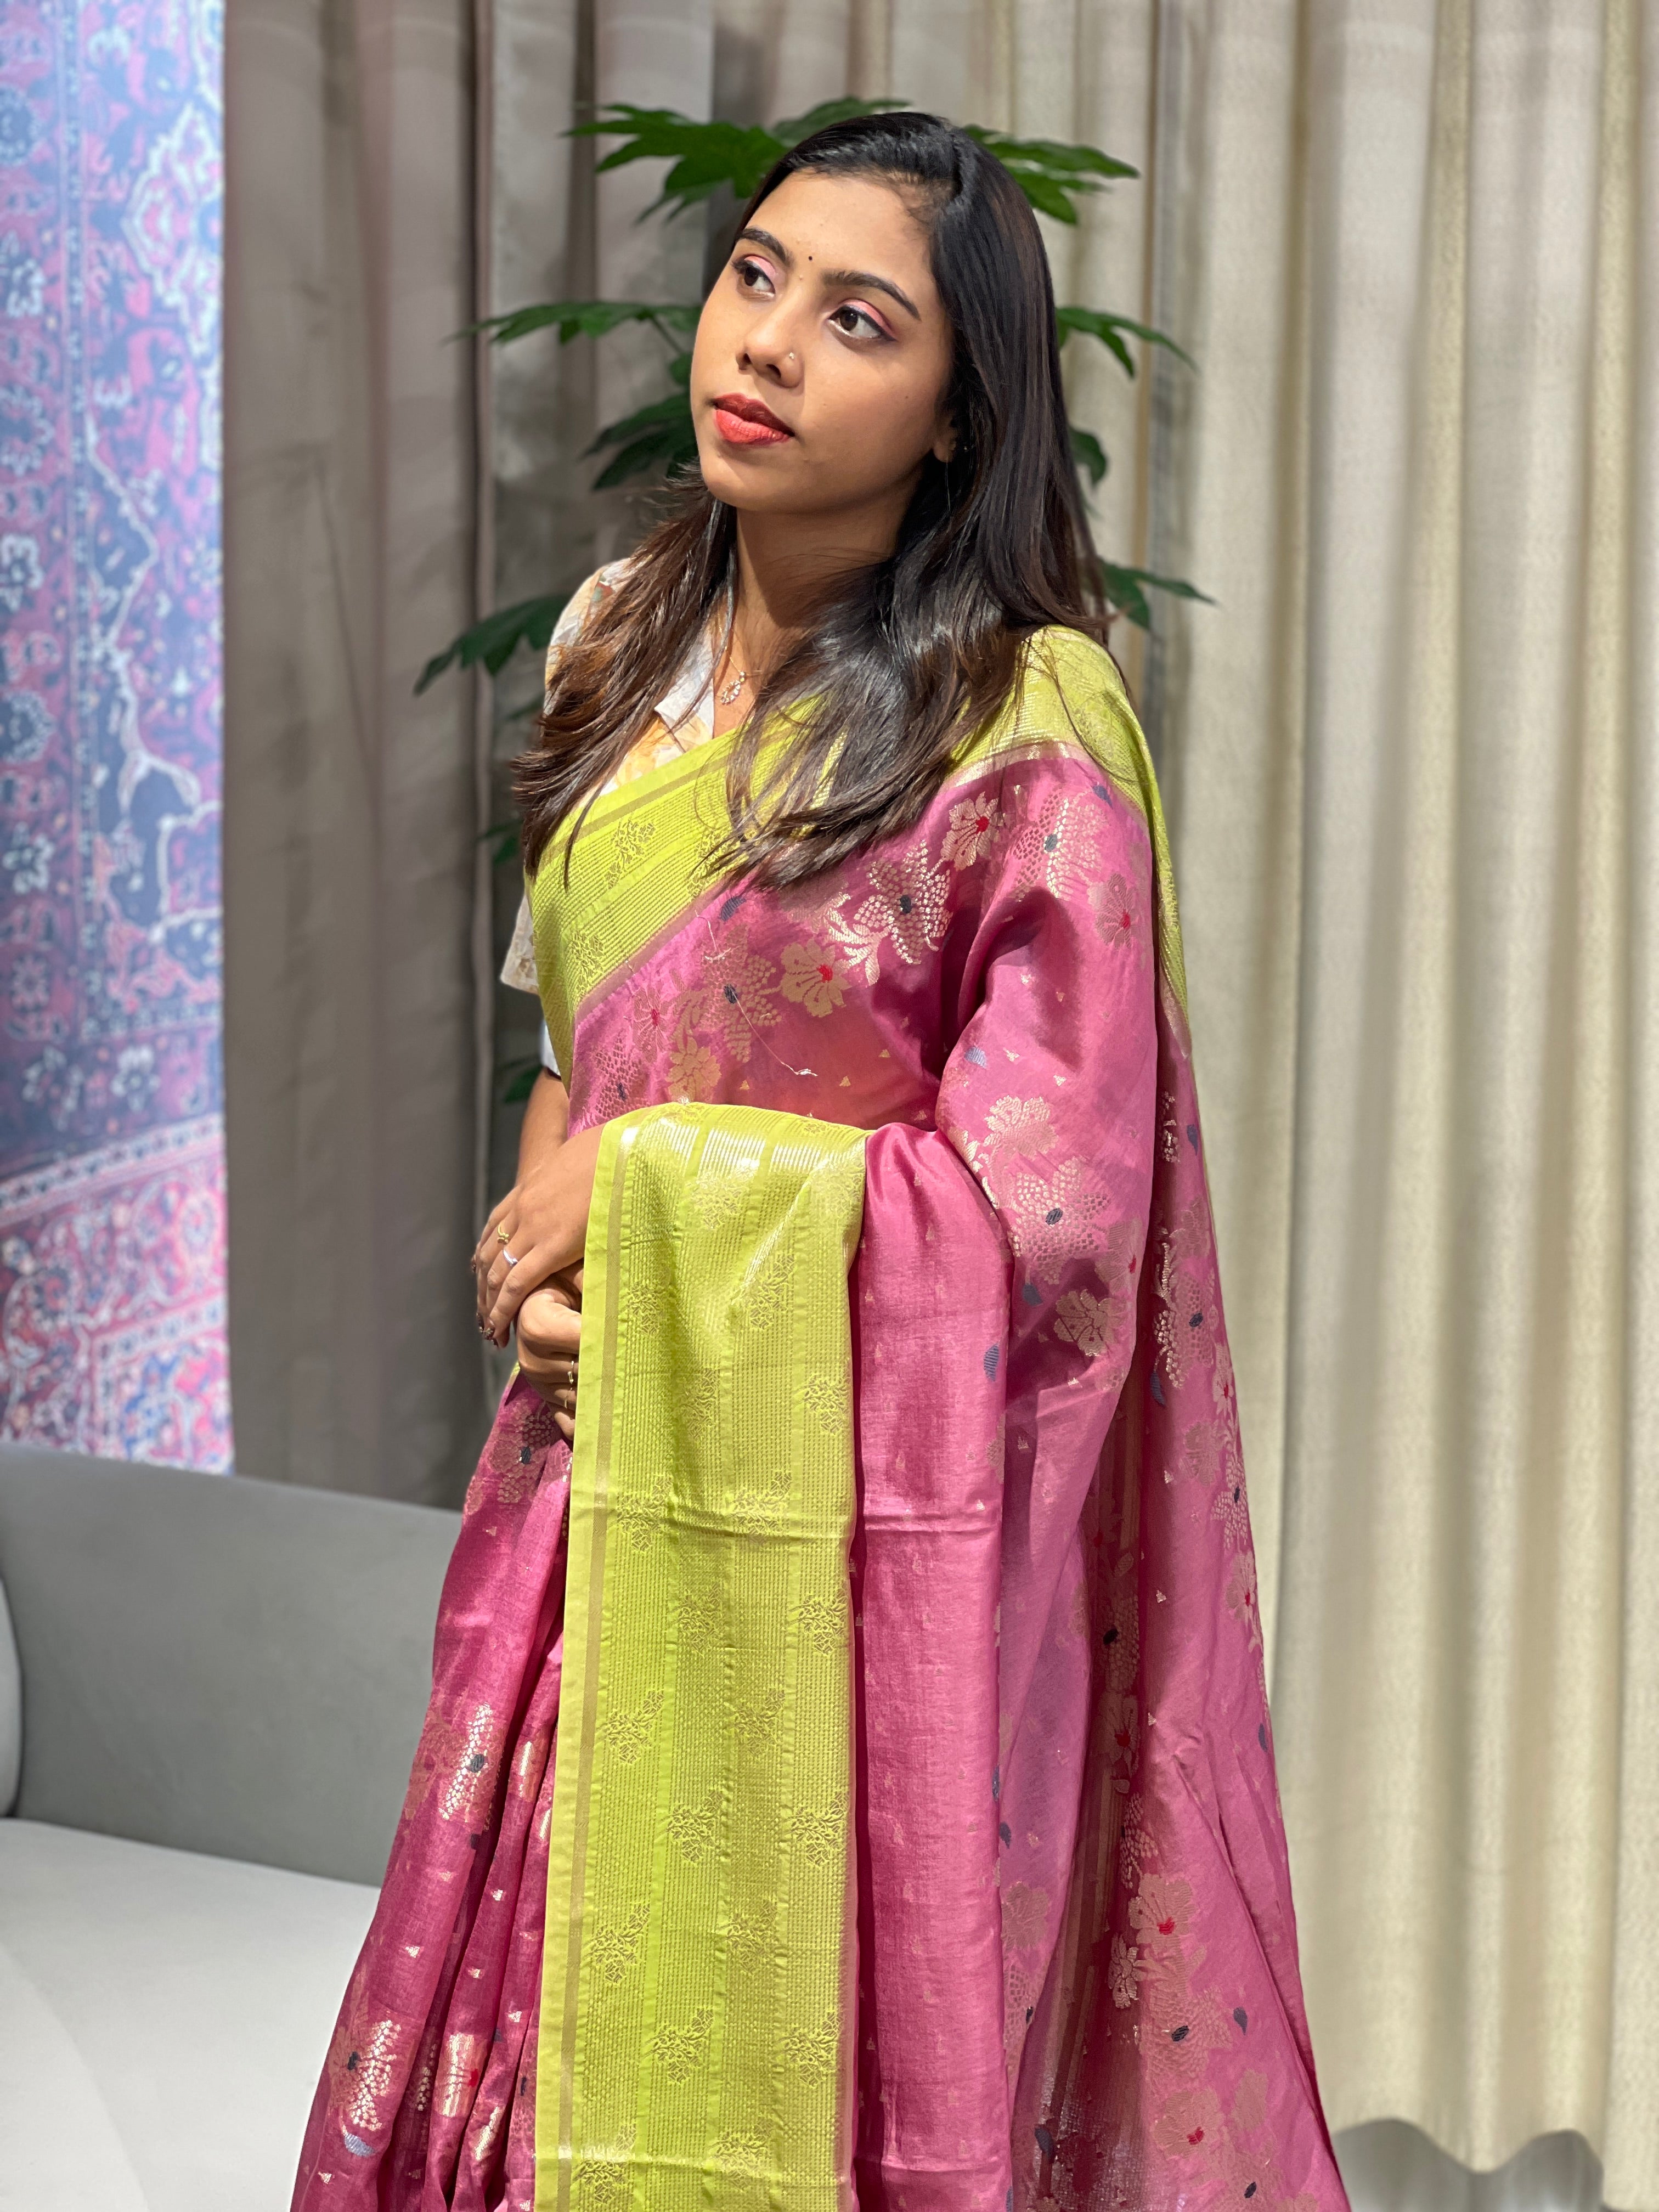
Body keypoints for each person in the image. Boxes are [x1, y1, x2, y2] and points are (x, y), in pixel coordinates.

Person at [292, 111, 1347, 2212]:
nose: (763, 343)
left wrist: (649, 1202)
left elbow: (1050, 1218)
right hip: (589, 1477)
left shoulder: (1021, 724)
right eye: (755, 275)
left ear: (960, 416)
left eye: (858, 320)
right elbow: (577, 1047)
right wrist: (554, 1258)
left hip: (859, 1557)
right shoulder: (616, 638)